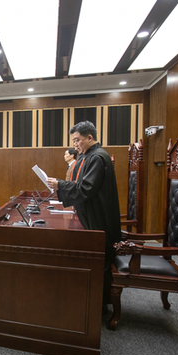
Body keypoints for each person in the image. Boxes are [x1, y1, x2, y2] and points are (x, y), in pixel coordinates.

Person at [47, 121, 121, 306]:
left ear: (90, 137)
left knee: (99, 261)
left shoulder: (96, 157)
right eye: (74, 141)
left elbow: (86, 189)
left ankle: (100, 306)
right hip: (94, 216)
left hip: (99, 221)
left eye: (77, 140)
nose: (75, 145)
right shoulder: (89, 155)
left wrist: (59, 185)